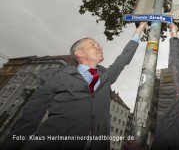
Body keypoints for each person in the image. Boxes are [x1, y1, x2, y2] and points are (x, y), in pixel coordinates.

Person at [0, 22, 148, 150]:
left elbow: (123, 59)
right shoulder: (56, 77)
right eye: (93, 44)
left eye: (98, 44)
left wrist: (139, 30)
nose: (99, 46)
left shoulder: (106, 76)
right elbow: (28, 120)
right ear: (79, 53)